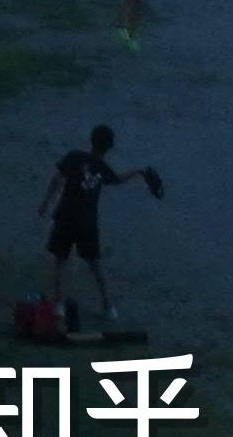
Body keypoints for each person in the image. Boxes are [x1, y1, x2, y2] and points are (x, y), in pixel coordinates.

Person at [41, 121, 151, 334]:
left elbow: (57, 178)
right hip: (87, 223)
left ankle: (58, 305)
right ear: (108, 147)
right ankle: (107, 305)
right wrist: (137, 172)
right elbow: (117, 180)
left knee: (60, 262)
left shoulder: (74, 157)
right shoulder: (101, 168)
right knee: (95, 265)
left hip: (65, 217)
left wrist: (46, 201)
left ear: (90, 141)